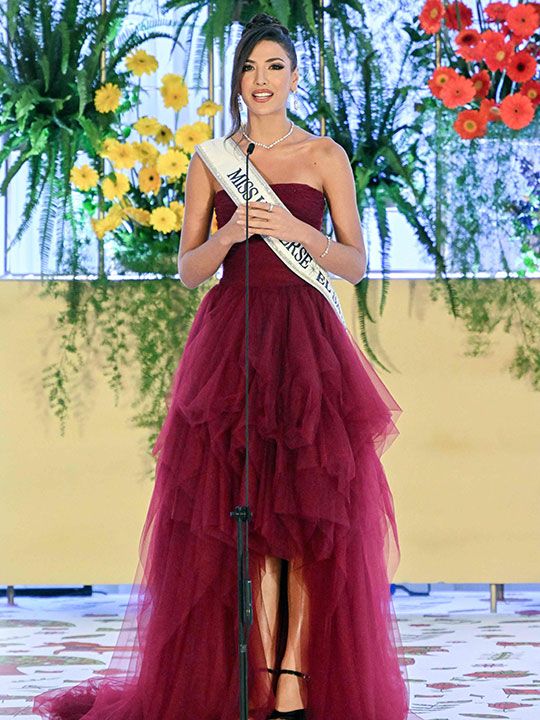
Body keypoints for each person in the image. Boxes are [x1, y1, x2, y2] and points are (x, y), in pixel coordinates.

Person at [33, 12, 421, 720]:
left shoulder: (325, 157)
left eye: (275, 67)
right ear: (236, 79)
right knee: (240, 523)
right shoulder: (213, 161)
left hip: (306, 346)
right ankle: (248, 673)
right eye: (250, 69)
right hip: (232, 344)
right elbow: (187, 270)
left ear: (295, 76)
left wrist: (301, 231)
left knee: (310, 520)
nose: (262, 81)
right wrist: (230, 234)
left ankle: (295, 679)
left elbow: (356, 264)